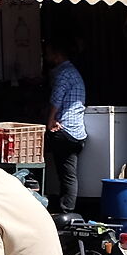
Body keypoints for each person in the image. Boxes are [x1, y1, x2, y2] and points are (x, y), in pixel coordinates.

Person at [43, 38, 88, 219]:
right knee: (68, 173)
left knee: (44, 162)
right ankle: (65, 206)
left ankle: (60, 207)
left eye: (48, 52)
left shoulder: (64, 73)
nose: (46, 56)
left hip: (65, 130)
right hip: (77, 132)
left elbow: (57, 98)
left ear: (56, 54)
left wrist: (50, 120)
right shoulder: (73, 72)